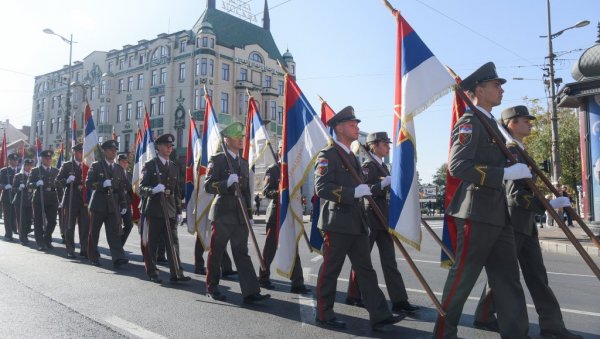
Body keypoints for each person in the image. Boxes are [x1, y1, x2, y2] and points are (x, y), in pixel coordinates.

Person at [432, 62, 531, 339]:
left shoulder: (492, 125)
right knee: (462, 279)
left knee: (508, 281)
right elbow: (458, 166)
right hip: (476, 212)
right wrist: (503, 173)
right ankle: (443, 334)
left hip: (499, 214)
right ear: (479, 89)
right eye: (496, 85)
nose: (501, 90)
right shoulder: (471, 122)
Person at [473, 106, 582, 339]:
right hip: (512, 223)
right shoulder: (509, 151)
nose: (530, 124)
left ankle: (552, 326)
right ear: (511, 123)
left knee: (535, 277)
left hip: (525, 224)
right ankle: (487, 316)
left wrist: (545, 202)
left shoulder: (520, 150)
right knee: (507, 279)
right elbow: (514, 194)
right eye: (525, 120)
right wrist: (546, 206)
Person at [314, 106, 403, 331]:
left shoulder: (351, 156)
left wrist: (366, 189)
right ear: (339, 128)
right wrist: (352, 193)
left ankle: (380, 314)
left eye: (357, 124)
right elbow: (321, 188)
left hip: (357, 221)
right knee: (331, 269)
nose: (357, 128)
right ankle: (324, 313)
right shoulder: (328, 155)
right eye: (353, 125)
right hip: (338, 222)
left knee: (366, 270)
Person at [345, 132, 419, 314]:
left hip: (384, 218)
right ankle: (354, 295)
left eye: (387, 144)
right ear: (374, 146)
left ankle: (399, 300)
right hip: (370, 217)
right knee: (362, 260)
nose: (387, 147)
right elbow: (363, 190)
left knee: (390, 261)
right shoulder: (368, 166)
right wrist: (382, 184)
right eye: (384, 144)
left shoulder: (383, 166)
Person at [204, 122, 270, 304]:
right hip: (223, 213)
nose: (241, 140)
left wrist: (248, 215)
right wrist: (225, 183)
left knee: (242, 252)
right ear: (227, 140)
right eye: (237, 137)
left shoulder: (242, 162)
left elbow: (247, 192)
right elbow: (208, 186)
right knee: (216, 252)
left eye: (242, 137)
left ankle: (251, 291)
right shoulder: (217, 160)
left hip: (240, 215)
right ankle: (212, 287)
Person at [139, 134, 190, 284]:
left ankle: (177, 273)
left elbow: (176, 191)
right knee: (152, 243)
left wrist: (180, 211)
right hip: (154, 210)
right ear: (158, 147)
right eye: (166, 145)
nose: (169, 148)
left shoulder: (173, 167)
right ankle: (152, 272)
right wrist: (153, 190)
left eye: (171, 146)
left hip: (170, 210)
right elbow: (141, 188)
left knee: (173, 243)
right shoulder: (150, 165)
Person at [258, 147, 310, 294]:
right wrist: (281, 193)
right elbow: (266, 191)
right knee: (270, 248)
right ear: (280, 151)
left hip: (291, 213)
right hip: (276, 212)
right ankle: (263, 277)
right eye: (285, 149)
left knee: (293, 247)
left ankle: (297, 282)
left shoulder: (294, 169)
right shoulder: (274, 169)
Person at [85, 140, 129, 268]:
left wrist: (124, 204)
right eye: (111, 150)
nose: (114, 152)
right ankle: (93, 256)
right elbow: (88, 183)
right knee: (94, 232)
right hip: (98, 203)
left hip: (113, 205)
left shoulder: (118, 168)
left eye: (115, 150)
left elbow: (121, 188)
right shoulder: (96, 166)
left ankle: (118, 257)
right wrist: (101, 184)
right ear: (104, 151)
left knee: (114, 232)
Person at [56, 143, 90, 258]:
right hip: (71, 198)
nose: (82, 154)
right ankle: (70, 249)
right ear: (74, 153)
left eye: (83, 152)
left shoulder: (87, 165)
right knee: (69, 225)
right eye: (80, 152)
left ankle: (84, 249)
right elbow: (57, 181)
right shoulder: (67, 165)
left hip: (84, 200)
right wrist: (66, 180)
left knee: (85, 226)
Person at [28, 150, 60, 251]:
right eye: (46, 158)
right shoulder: (35, 170)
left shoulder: (55, 171)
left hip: (52, 198)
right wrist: (36, 183)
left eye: (50, 158)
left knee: (52, 221)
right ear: (41, 159)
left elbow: (59, 186)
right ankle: (40, 242)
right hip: (39, 198)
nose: (49, 160)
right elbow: (29, 184)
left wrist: (61, 199)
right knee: (39, 222)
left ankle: (47, 238)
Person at [12, 158, 34, 245]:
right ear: (24, 166)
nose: (29, 167)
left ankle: (25, 233)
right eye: (27, 165)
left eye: (30, 165)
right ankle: (22, 237)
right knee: (21, 220)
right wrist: (18, 188)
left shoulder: (33, 176)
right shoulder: (18, 176)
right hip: (19, 201)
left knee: (29, 220)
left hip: (29, 201)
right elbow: (13, 189)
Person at [117, 153, 135, 246]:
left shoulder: (130, 175)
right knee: (117, 227)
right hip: (116, 203)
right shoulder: (114, 172)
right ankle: (117, 248)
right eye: (122, 162)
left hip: (127, 204)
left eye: (126, 162)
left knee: (129, 225)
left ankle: (120, 244)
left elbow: (131, 191)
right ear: (118, 162)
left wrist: (131, 203)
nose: (124, 164)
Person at [0, 153, 19, 241]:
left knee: (15, 215)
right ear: (9, 161)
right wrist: (5, 186)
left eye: (16, 160)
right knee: (7, 216)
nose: (15, 162)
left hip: (17, 196)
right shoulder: (4, 171)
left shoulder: (20, 171)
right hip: (7, 196)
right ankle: (8, 234)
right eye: (13, 160)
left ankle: (16, 230)